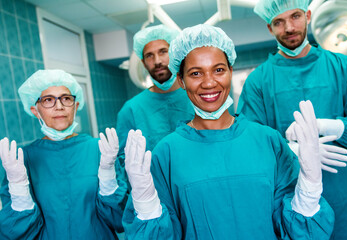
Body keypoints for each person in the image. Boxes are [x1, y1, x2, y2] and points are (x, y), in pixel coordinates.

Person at [122, 24, 334, 239]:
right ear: (181, 81)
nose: (209, 82)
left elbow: (298, 231)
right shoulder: (165, 153)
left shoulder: (268, 141)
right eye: (196, 73)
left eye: (219, 70)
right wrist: (147, 206)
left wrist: (309, 188)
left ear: (231, 71)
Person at [237, 0, 347, 239]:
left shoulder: (343, 67)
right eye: (278, 22)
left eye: (295, 17)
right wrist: (291, 150)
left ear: (308, 15)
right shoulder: (258, 81)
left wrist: (334, 126)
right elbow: (250, 142)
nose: (289, 27)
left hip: (342, 190)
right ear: (270, 28)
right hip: (290, 195)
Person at [0, 69, 127, 239]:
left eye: (66, 98)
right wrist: (19, 190)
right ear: (35, 110)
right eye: (48, 100)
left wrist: (108, 179)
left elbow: (120, 220)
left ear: (76, 106)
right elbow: (14, 233)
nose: (59, 106)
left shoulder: (101, 150)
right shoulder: (22, 161)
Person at [116, 24, 194, 166]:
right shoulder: (131, 110)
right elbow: (124, 161)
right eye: (149, 56)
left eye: (163, 51)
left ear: (175, 55)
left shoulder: (197, 97)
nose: (157, 61)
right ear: (144, 63)